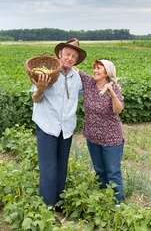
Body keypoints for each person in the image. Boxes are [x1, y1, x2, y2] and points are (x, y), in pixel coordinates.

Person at [30, 39, 86, 222]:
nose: (70, 58)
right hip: (48, 126)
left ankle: (59, 202)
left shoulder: (76, 77)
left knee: (62, 168)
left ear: (76, 61)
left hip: (66, 128)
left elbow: (81, 94)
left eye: (74, 56)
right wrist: (41, 88)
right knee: (49, 170)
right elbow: (36, 99)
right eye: (67, 54)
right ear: (59, 55)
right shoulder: (46, 73)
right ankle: (47, 210)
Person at [73, 59, 125, 205]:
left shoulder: (113, 88)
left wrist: (113, 94)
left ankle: (118, 202)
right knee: (100, 170)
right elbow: (76, 70)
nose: (95, 71)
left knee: (113, 172)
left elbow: (118, 110)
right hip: (92, 137)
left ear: (107, 72)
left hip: (111, 139)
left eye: (99, 68)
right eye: (94, 68)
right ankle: (104, 198)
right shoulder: (89, 83)